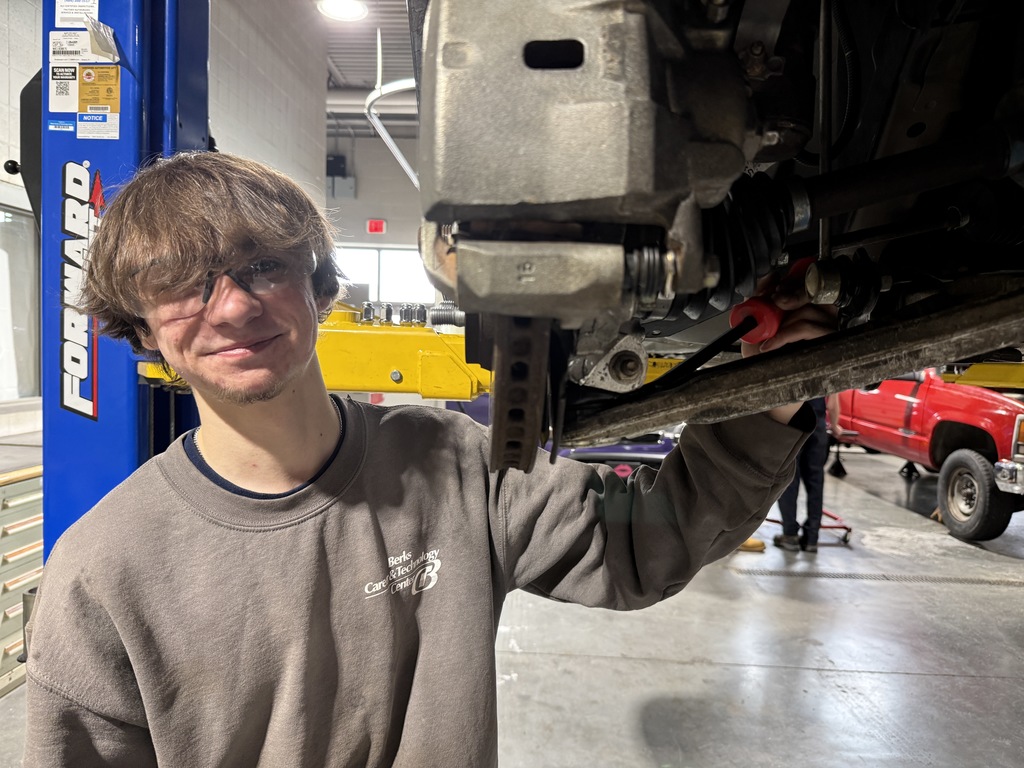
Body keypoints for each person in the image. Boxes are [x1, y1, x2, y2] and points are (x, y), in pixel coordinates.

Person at [23, 152, 834, 767]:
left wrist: (769, 397)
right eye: (185, 283)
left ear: (319, 285)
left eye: (262, 265)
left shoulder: (452, 464)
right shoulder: (104, 571)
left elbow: (642, 543)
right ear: (140, 327)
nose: (233, 305)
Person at [773, 395, 834, 553]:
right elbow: (833, 404)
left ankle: (790, 535)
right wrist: (834, 425)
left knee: (789, 479)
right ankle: (812, 538)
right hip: (818, 425)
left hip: (792, 422)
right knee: (816, 481)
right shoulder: (826, 369)